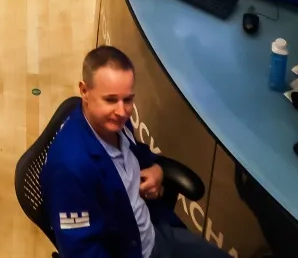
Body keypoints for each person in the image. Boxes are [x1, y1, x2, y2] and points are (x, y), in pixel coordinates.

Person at [42, 47, 225, 258]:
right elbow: (82, 251)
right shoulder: (70, 168)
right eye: (110, 100)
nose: (122, 112)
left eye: (128, 99)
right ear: (84, 91)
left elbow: (137, 153)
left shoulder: (114, 123)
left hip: (153, 232)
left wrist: (157, 168)